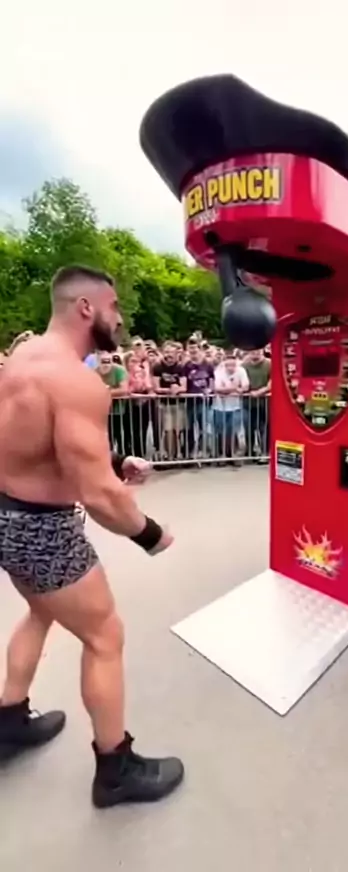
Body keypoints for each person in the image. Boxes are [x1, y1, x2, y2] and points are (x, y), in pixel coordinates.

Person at [0, 265, 184, 807]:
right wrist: (151, 534)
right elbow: (100, 497)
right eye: (114, 306)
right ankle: (116, 770)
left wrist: (115, 460)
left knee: (41, 611)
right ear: (86, 308)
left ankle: (8, 721)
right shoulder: (78, 381)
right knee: (105, 636)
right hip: (40, 526)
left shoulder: (23, 357)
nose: (120, 318)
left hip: (5, 514)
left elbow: (36, 438)